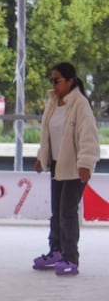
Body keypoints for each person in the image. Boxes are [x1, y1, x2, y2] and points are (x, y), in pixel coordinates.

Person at [33, 62, 100, 276]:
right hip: (57, 165)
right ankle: (56, 251)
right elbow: (47, 135)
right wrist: (41, 158)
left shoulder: (80, 104)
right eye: (51, 80)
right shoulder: (53, 103)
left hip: (75, 167)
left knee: (67, 212)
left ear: (70, 81)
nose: (53, 85)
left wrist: (85, 164)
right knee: (56, 211)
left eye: (57, 80)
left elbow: (88, 136)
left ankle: (71, 257)